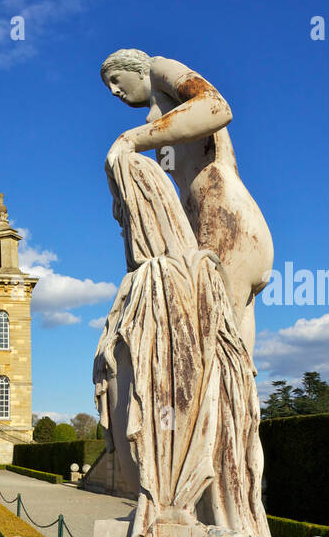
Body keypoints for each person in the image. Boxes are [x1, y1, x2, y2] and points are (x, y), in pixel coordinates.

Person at [100, 50, 273, 358]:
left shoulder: (159, 68)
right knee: (233, 356)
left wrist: (131, 139)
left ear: (136, 69)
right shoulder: (158, 101)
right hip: (219, 219)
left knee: (209, 337)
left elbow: (216, 107)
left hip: (222, 215)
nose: (114, 91)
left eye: (115, 79)